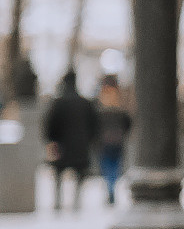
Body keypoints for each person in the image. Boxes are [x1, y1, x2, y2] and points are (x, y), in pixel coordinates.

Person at [41, 71, 97, 214]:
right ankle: (76, 203)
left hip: (62, 146)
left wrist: (51, 139)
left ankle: (58, 202)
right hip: (80, 145)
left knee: (59, 173)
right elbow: (95, 124)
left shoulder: (58, 103)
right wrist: (90, 139)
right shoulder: (84, 103)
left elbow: (50, 124)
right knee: (79, 172)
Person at [93, 74, 130, 207]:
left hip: (104, 141)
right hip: (117, 140)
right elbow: (127, 122)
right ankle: (112, 186)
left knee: (107, 166)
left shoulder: (100, 105)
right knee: (115, 166)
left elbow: (95, 124)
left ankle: (110, 187)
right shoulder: (119, 104)